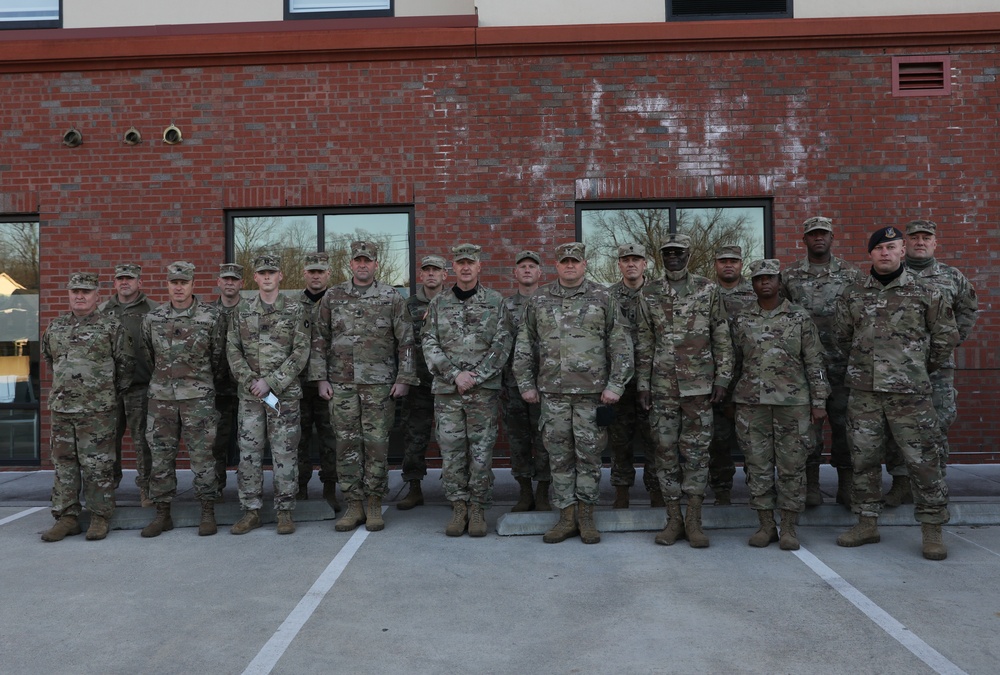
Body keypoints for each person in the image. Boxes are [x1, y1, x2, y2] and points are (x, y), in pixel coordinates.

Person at [834, 226, 958, 560]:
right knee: (864, 459)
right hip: (865, 393)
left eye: (891, 247)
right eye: (879, 248)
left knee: (923, 461)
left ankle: (932, 530)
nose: (885, 253)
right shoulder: (853, 292)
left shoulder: (926, 292)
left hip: (911, 394)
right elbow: (842, 336)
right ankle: (867, 523)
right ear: (870, 254)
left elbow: (945, 337)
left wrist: (915, 367)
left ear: (903, 251)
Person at [513, 242, 633, 545]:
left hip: (592, 395)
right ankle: (566, 516)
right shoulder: (540, 299)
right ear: (556, 265)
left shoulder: (603, 297)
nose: (570, 266)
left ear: (585, 264)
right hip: (552, 394)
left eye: (575, 262)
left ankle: (587, 516)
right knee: (559, 457)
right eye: (564, 261)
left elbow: (620, 344)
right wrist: (525, 383)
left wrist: (616, 385)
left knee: (589, 456)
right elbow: (525, 344)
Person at [310, 240, 417, 533]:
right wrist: (320, 378)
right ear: (350, 264)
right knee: (345, 445)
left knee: (377, 445)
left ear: (376, 264)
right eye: (358, 260)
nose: (362, 265)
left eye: (367, 261)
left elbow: (406, 341)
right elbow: (319, 339)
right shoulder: (333, 296)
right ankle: (353, 504)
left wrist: (404, 378)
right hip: (341, 384)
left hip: (380, 385)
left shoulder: (391, 297)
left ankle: (373, 503)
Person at [636, 233, 733, 549]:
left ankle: (693, 520)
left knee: (697, 453)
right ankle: (672, 519)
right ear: (661, 257)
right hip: (662, 386)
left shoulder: (707, 289)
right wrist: (643, 383)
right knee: (665, 451)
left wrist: (722, 380)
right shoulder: (649, 292)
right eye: (668, 253)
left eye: (678, 253)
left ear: (688, 255)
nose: (673, 257)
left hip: (698, 387)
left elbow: (721, 336)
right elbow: (645, 341)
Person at [730, 259, 830, 550]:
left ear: (779, 282)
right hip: (751, 404)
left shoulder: (799, 317)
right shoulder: (742, 318)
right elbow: (734, 361)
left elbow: (814, 361)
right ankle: (765, 526)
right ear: (752, 284)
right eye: (759, 279)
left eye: (770, 278)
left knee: (791, 467)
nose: (765, 283)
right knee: (757, 466)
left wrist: (819, 400)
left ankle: (788, 528)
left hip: (793, 404)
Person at [883, 219, 980, 504]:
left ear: (935, 243)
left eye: (927, 237)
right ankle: (901, 482)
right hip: (898, 367)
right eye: (914, 238)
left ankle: (933, 484)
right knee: (897, 426)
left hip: (937, 368)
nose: (920, 242)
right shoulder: (890, 275)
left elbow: (968, 309)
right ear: (904, 246)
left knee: (937, 422)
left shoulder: (952, 277)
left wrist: (949, 342)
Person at [423, 244, 513, 536]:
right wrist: (454, 375)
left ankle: (477, 508)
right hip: (449, 392)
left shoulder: (496, 301)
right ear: (453, 268)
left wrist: (476, 376)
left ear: (478, 267)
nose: (465, 268)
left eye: (470, 263)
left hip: (482, 392)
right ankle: (458, 506)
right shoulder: (438, 303)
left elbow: (502, 344)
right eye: (460, 263)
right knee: (451, 452)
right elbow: (429, 342)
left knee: (481, 453)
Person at [41, 273, 133, 541]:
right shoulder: (55, 327)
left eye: (86, 291)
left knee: (98, 466)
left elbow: (125, 367)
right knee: (64, 465)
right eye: (75, 291)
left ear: (97, 295)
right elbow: (51, 360)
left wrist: (103, 395)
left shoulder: (111, 327)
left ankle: (99, 516)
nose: (79, 296)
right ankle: (67, 517)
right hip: (62, 410)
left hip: (97, 411)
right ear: (68, 294)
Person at [140, 262, 226, 538]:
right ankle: (162, 513)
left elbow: (218, 358)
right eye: (174, 282)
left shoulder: (210, 317)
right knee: (161, 457)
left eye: (183, 282)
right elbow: (148, 355)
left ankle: (207, 511)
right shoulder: (153, 319)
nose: (178, 287)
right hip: (162, 398)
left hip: (198, 398)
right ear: (167, 284)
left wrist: (199, 383)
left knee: (203, 457)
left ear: (193, 284)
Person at [780, 216, 862, 508]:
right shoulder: (789, 276)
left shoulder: (852, 275)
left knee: (845, 426)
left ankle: (846, 486)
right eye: (813, 234)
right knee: (807, 430)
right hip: (804, 367)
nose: (818, 238)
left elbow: (861, 317)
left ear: (831, 238)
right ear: (804, 240)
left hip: (842, 365)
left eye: (823, 234)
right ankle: (811, 486)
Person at [227, 254, 311, 535]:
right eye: (262, 273)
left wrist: (272, 382)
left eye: (271, 272)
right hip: (251, 396)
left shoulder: (296, 310)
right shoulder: (242, 310)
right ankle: (251, 510)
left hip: (283, 396)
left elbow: (301, 351)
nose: (266, 277)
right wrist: (252, 381)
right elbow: (232, 349)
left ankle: (285, 511)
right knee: (249, 453)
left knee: (284, 452)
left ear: (280, 276)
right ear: (255, 277)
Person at [607, 243, 662, 509]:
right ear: (619, 265)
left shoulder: (658, 294)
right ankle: (621, 491)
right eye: (626, 260)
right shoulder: (608, 297)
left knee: (655, 439)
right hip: (620, 382)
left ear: (645, 264)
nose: (631, 264)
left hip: (654, 379)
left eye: (636, 259)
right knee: (619, 440)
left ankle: (656, 491)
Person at [100, 263, 157, 505]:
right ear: (114, 282)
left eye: (130, 278)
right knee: (107, 439)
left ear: (139, 283)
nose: (125, 282)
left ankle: (146, 488)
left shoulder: (152, 310)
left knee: (143, 440)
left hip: (140, 386)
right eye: (120, 278)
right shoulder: (103, 310)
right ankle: (108, 488)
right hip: (110, 389)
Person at [397, 254, 448, 511]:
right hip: (418, 383)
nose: (431, 274)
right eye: (426, 270)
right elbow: (401, 343)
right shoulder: (408, 306)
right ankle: (414, 488)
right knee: (414, 437)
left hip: (447, 383)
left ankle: (453, 489)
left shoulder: (452, 302)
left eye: (435, 270)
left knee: (451, 438)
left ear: (444, 275)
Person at [502, 250, 550, 512]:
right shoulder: (506, 306)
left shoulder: (549, 302)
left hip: (546, 385)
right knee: (518, 440)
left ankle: (543, 490)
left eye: (532, 266)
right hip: (512, 386)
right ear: (515, 273)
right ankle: (524, 492)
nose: (528, 270)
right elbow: (499, 346)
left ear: (540, 272)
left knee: (544, 440)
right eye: (523, 267)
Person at [708, 245, 756, 506]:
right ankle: (722, 489)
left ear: (741, 264)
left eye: (734, 261)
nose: (728, 265)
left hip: (750, 377)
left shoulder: (756, 291)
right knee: (718, 439)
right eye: (723, 260)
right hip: (715, 379)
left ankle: (757, 491)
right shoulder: (705, 293)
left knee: (753, 440)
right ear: (716, 264)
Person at [296, 252, 339, 512]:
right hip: (298, 383)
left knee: (330, 439)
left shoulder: (338, 302)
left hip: (329, 382)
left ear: (328, 274)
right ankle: (300, 488)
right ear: (304, 273)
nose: (315, 275)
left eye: (320, 272)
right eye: (311, 271)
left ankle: (329, 489)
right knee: (297, 438)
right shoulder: (291, 304)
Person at [212, 262, 245, 500]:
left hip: (247, 388)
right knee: (217, 441)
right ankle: (216, 488)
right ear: (219, 282)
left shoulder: (251, 310)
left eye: (234, 279)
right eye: (226, 279)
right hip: (217, 389)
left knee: (250, 442)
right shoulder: (207, 313)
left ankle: (248, 490)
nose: (230, 283)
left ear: (242, 283)